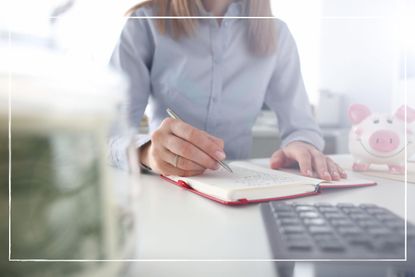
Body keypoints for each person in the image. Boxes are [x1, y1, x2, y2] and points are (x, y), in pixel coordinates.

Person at [110, 0, 347, 180]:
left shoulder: (277, 34)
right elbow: (107, 134)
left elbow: (301, 126)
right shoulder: (145, 23)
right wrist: (146, 153)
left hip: (236, 185)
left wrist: (302, 143)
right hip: (168, 186)